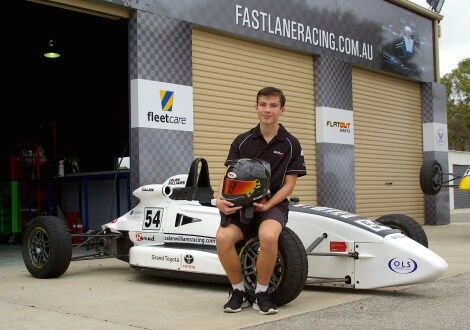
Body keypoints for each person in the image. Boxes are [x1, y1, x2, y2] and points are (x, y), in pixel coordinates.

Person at [215, 87, 307, 315]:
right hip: (240, 206)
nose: (267, 110)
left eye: (273, 105)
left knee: (268, 235)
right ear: (256, 107)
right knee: (223, 238)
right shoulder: (242, 141)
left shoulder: (291, 144)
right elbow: (229, 176)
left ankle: (261, 294)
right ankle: (238, 292)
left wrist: (268, 205)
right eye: (263, 105)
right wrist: (219, 199)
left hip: (272, 205)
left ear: (282, 110)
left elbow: (289, 184)